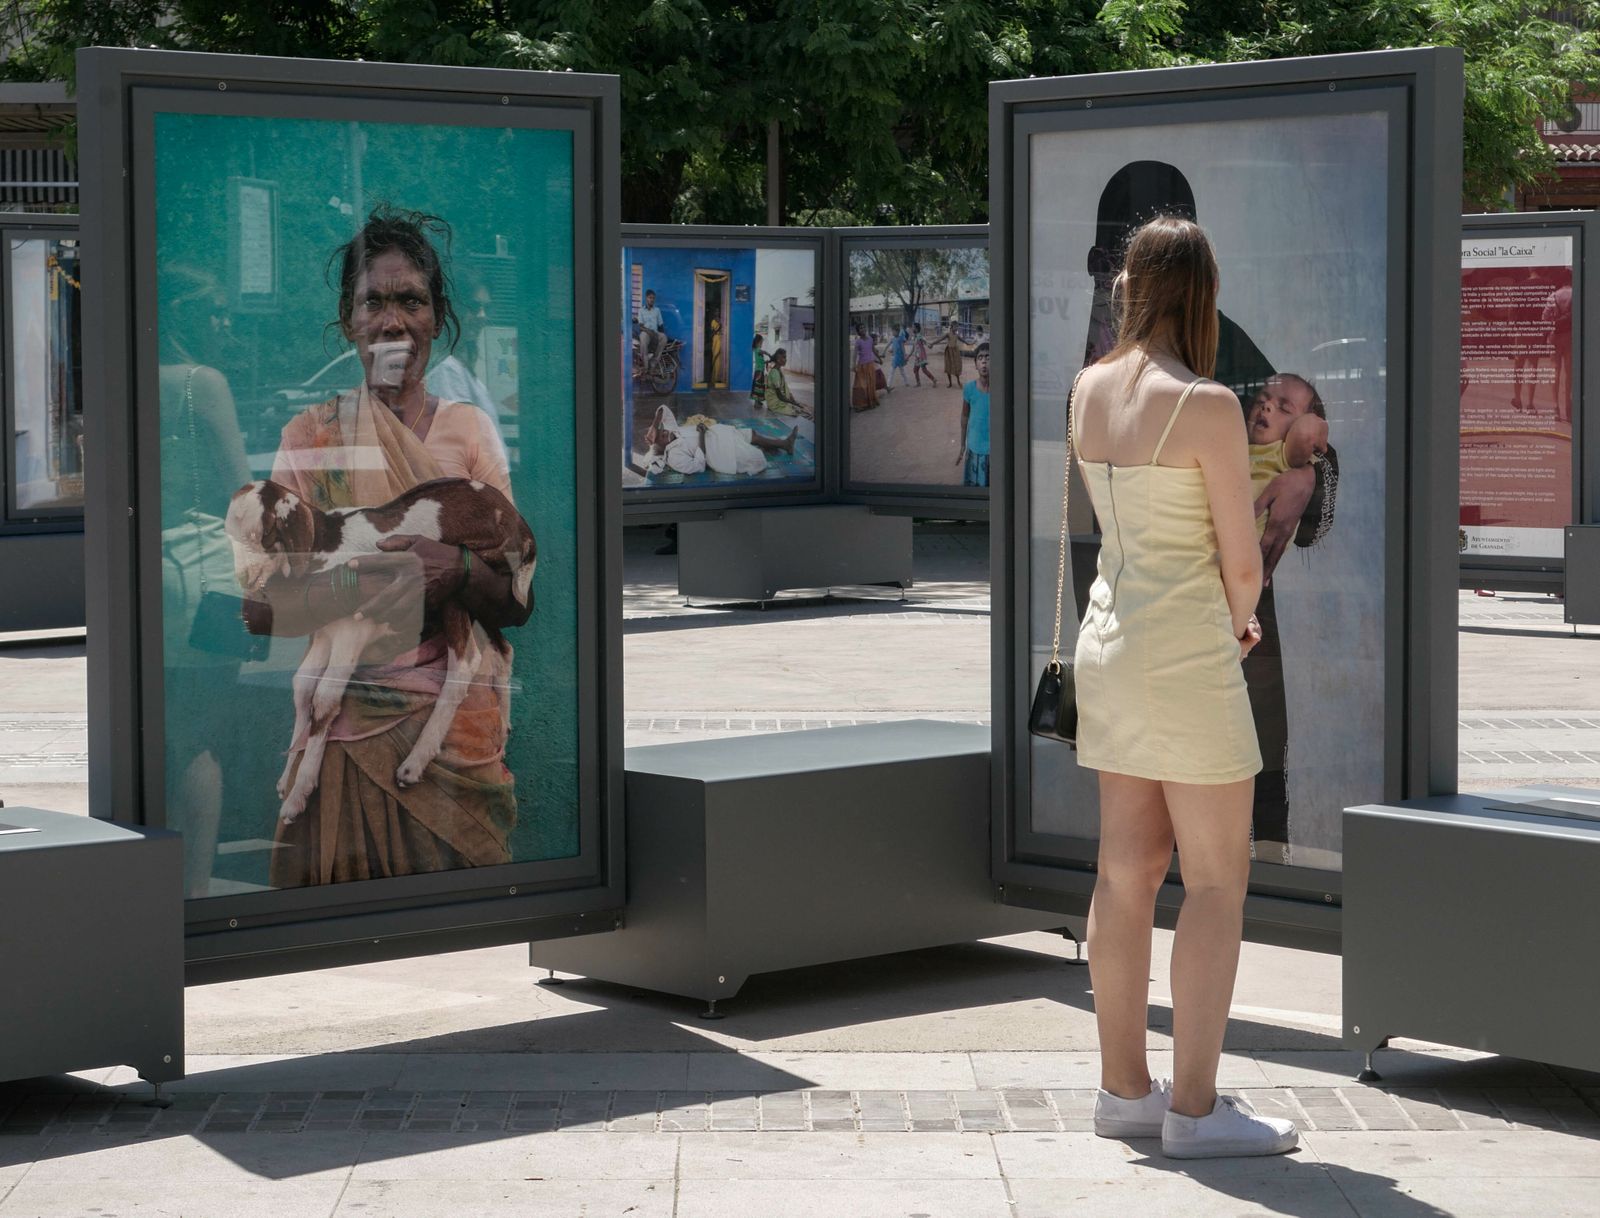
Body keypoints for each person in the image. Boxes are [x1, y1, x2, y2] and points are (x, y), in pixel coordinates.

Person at [1070, 215, 1298, 1159]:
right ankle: (1196, 1113)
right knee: (1216, 881)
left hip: (1110, 646)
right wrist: (1243, 620)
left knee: (1125, 876)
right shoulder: (1203, 403)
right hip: (1189, 654)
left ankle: (1126, 1091)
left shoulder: (1088, 389)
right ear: (1201, 293)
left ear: (1131, 285)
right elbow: (1240, 564)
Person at [243, 206, 534, 888]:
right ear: (350, 319)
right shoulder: (312, 436)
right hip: (338, 729)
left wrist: (458, 568)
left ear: (437, 319)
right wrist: (383, 581)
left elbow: (518, 600)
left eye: (412, 301)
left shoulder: (470, 434)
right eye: (375, 302)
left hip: (453, 737)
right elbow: (266, 603)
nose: (393, 321)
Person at [1246, 374, 1330, 540]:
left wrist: (1316, 426)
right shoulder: (1239, 446)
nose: (1266, 406)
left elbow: (1306, 433)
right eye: (1261, 401)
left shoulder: (1285, 454)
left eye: (1284, 409)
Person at [643, 403, 796, 477]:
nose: (666, 431)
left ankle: (784, 444)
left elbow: (664, 410)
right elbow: (699, 465)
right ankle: (768, 447)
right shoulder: (675, 458)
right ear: (663, 447)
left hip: (716, 434)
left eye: (663, 430)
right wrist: (701, 436)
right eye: (662, 435)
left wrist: (654, 425)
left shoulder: (672, 433)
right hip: (718, 452)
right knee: (756, 459)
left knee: (751, 434)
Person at [956, 342, 991, 486]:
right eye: (980, 358)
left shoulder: (1002, 388)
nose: (984, 361)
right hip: (974, 448)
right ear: (976, 364)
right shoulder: (969, 388)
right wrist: (962, 445)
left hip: (994, 450)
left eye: (988, 357)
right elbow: (964, 417)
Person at [764, 347, 811, 418]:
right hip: (775, 403)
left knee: (803, 410)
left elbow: (786, 390)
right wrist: (794, 403)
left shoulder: (779, 371)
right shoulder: (775, 373)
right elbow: (779, 396)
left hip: (779, 401)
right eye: (784, 357)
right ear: (778, 360)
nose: (786, 360)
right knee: (800, 413)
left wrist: (795, 402)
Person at [851, 322, 880, 410]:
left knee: (870, 384)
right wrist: (853, 364)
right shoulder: (858, 342)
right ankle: (861, 404)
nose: (863, 329)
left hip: (870, 365)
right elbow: (855, 354)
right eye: (860, 328)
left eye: (863, 327)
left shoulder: (870, 339)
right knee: (861, 385)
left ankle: (870, 402)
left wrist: (880, 359)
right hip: (862, 366)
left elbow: (874, 351)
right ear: (858, 331)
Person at [636, 288, 666, 367]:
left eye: (653, 298)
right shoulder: (641, 310)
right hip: (645, 332)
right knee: (643, 338)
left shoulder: (657, 310)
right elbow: (640, 326)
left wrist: (662, 334)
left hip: (655, 333)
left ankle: (654, 361)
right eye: (650, 297)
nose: (652, 299)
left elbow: (660, 325)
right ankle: (645, 366)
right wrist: (648, 331)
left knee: (664, 338)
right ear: (646, 298)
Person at [941, 319, 966, 388]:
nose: (957, 328)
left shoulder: (957, 335)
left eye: (957, 327)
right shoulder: (948, 334)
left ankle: (958, 381)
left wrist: (970, 343)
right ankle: (950, 383)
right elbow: (940, 339)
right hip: (948, 352)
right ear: (952, 327)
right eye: (956, 327)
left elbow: (963, 340)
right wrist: (932, 343)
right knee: (948, 367)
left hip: (955, 352)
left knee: (956, 366)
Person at [750, 333, 768, 410]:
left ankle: (759, 400)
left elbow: (761, 361)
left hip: (760, 371)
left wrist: (766, 362)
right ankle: (756, 403)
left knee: (760, 386)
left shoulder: (757, 350)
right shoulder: (757, 350)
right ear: (758, 342)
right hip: (759, 372)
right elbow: (762, 352)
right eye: (761, 342)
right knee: (758, 386)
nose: (762, 344)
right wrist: (769, 354)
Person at [911, 322, 932, 387]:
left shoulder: (919, 336)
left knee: (923, 370)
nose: (912, 329)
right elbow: (913, 348)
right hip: (918, 356)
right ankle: (919, 383)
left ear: (916, 329)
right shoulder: (915, 336)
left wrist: (928, 345)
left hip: (921, 355)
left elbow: (924, 341)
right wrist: (909, 355)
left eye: (913, 327)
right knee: (916, 370)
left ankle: (933, 380)